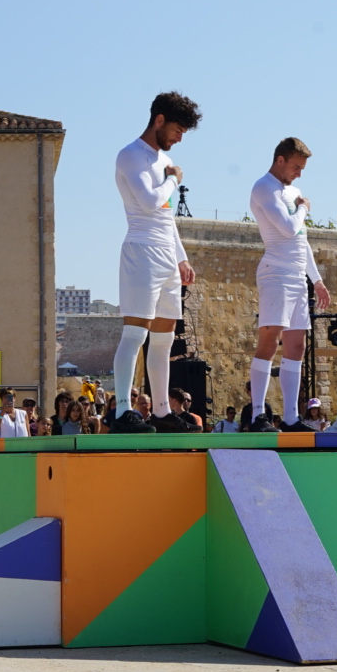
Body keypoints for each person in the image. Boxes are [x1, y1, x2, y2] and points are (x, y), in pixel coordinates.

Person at [113, 91, 201, 432]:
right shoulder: (130, 155)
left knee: (165, 337)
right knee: (135, 332)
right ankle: (122, 409)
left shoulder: (160, 160)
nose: (179, 138)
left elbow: (165, 217)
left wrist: (181, 258)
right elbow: (150, 202)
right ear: (159, 120)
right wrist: (174, 179)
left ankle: (162, 410)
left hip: (165, 252)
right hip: (141, 250)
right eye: (177, 129)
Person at [247, 138, 333, 432]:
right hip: (276, 272)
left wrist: (317, 280)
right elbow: (287, 227)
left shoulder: (293, 191)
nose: (299, 173)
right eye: (296, 166)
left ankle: (291, 417)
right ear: (280, 160)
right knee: (270, 342)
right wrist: (304, 209)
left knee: (297, 345)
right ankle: (258, 413)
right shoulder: (263, 187)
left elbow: (301, 240)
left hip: (297, 276)